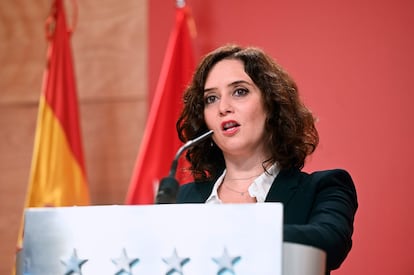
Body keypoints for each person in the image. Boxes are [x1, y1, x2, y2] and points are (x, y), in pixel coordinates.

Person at [175, 44, 358, 274]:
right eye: (211, 98)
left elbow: (328, 242)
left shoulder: (324, 188)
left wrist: (229, 230)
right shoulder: (179, 200)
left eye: (239, 91)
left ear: (272, 106)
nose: (223, 107)